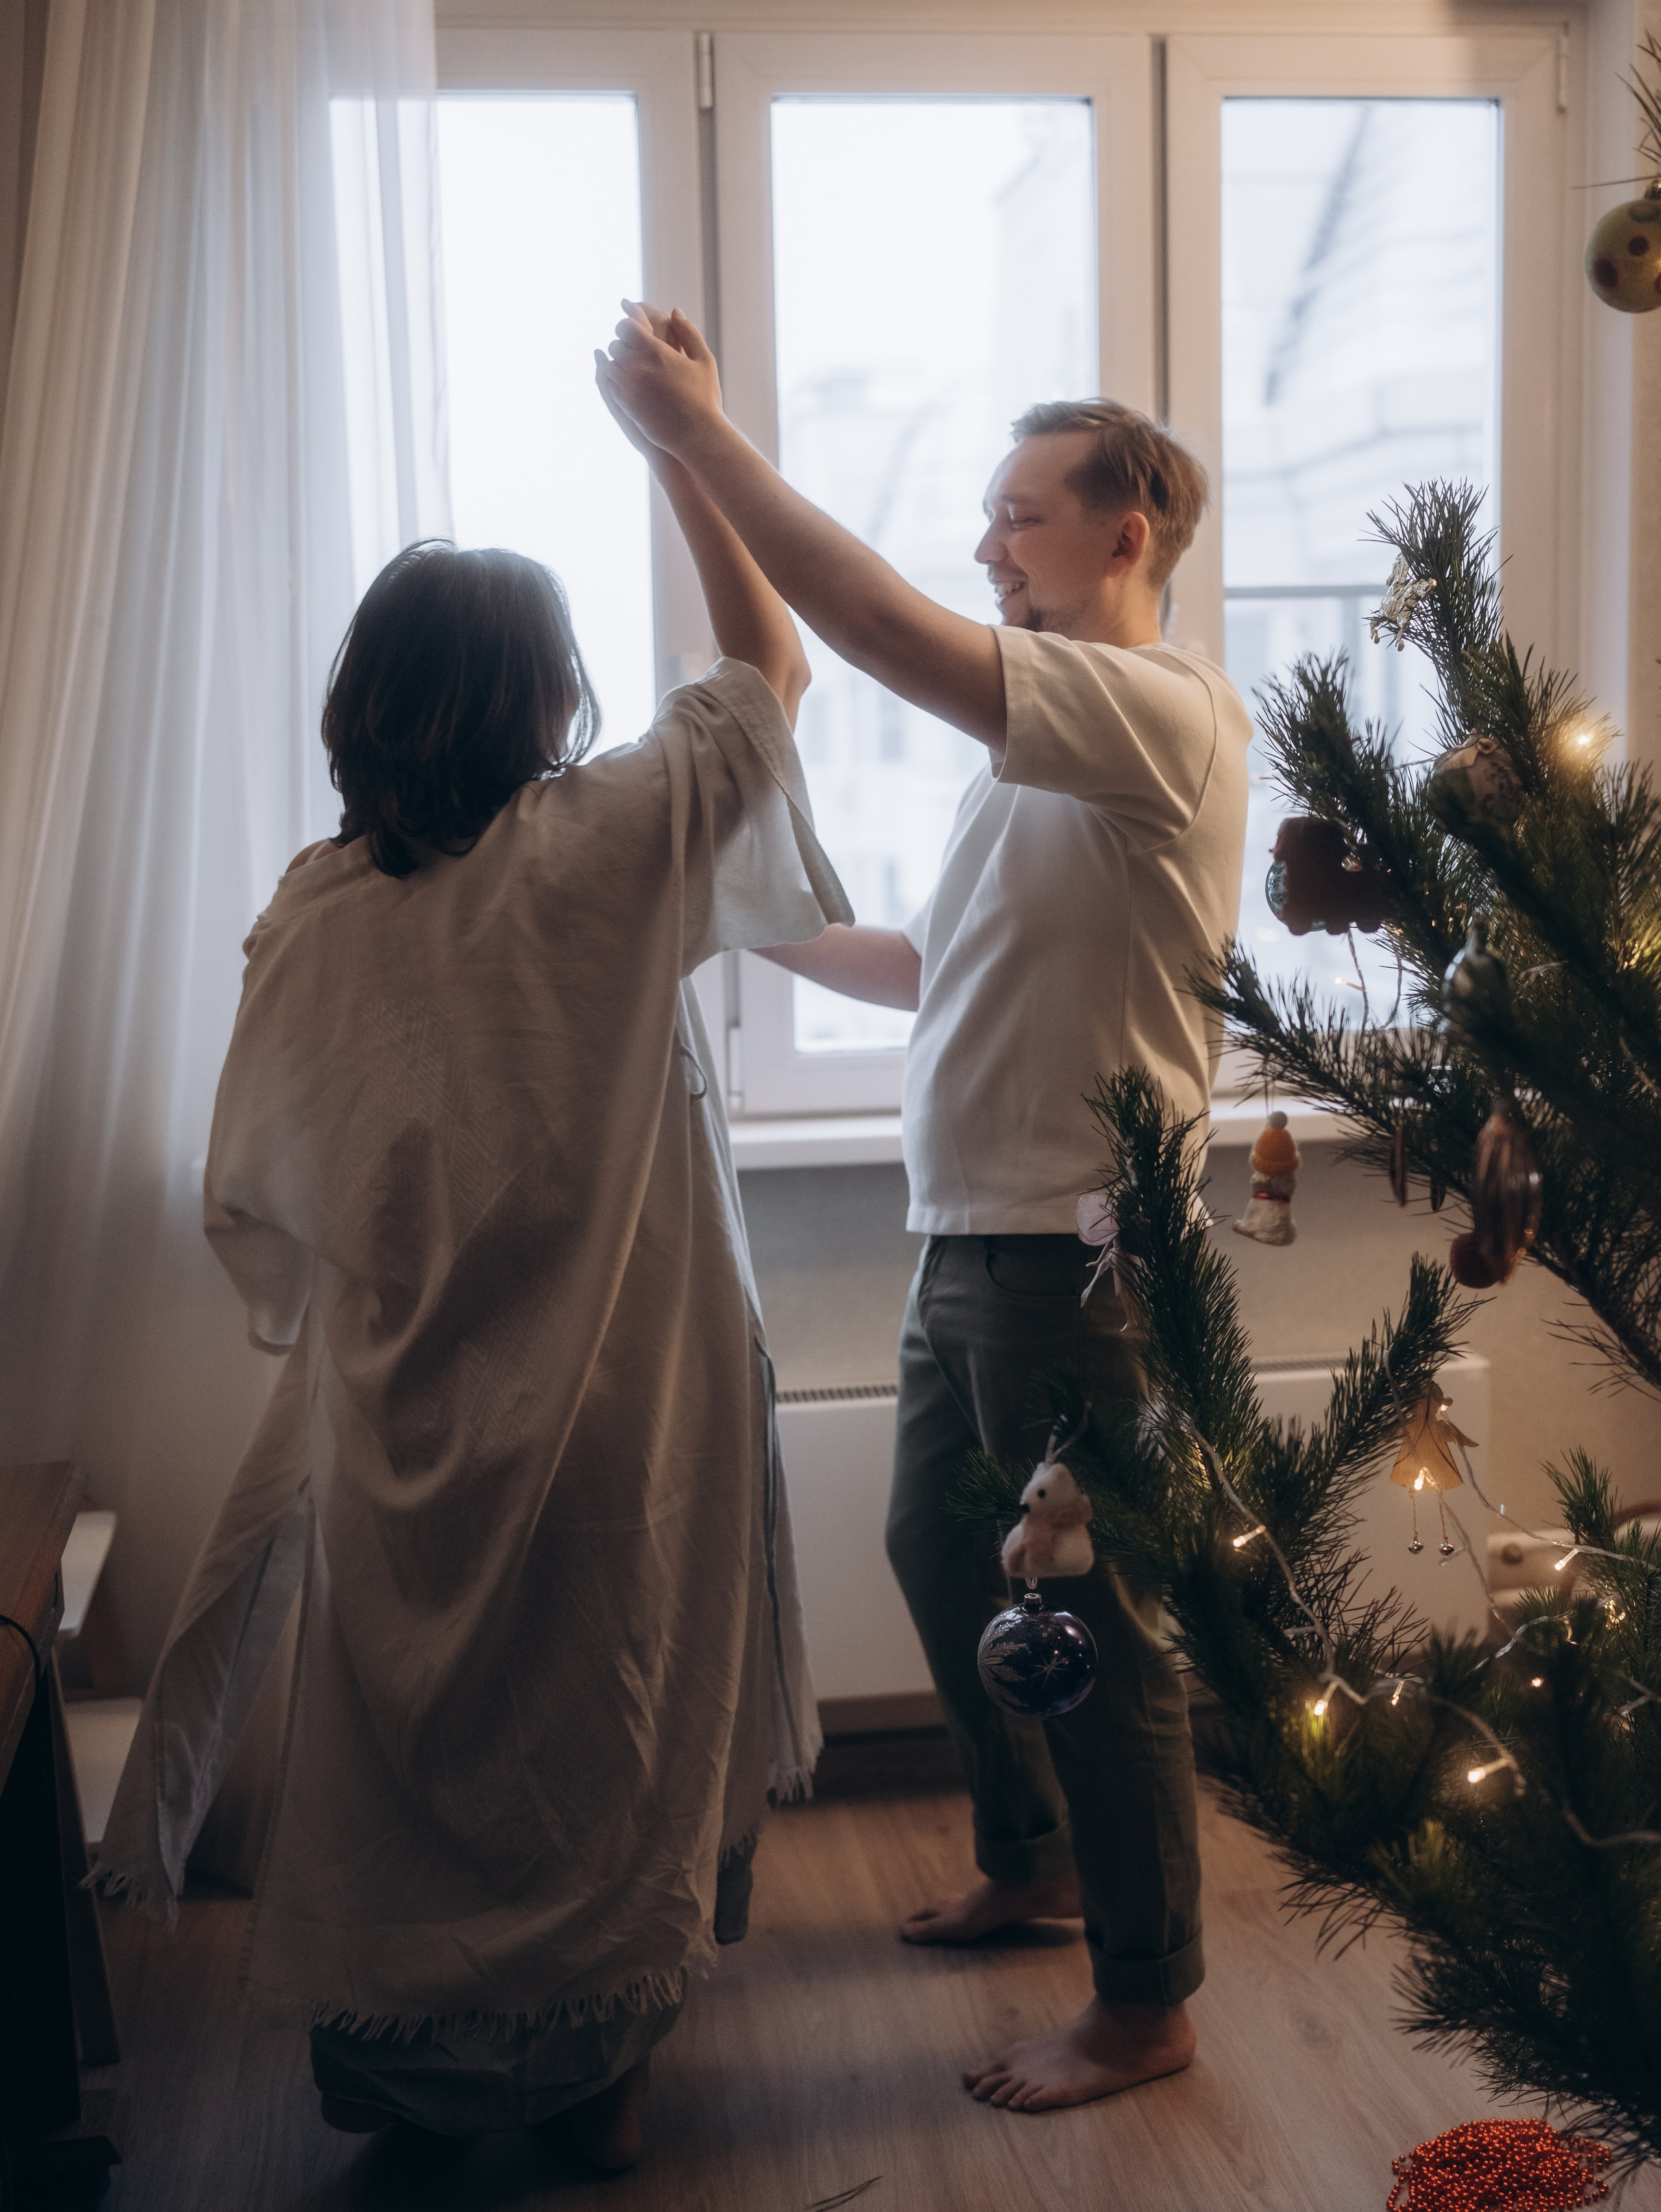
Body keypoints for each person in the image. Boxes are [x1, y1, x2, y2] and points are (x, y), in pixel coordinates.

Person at [97, 382, 850, 2167]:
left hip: (410, 1417)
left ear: (360, 711)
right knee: (614, 1731)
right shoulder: (599, 845)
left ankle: (415, 2074)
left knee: (420, 1760)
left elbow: (269, 1207)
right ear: (551, 705)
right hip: (613, 1424)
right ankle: (595, 2073)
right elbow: (773, 669)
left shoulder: (313, 911)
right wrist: (686, 447)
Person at [600, 306, 1251, 2114]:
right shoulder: (1030, 774)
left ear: (1128, 533)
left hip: (1085, 1262)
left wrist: (697, 431)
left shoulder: (1158, 715)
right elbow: (928, 962)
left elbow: (877, 630)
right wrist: (724, 909)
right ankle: (1038, 1862)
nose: (986, 545)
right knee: (928, 1548)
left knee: (1103, 1628)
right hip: (968, 1237)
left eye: (1018, 514)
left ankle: (1148, 1995)